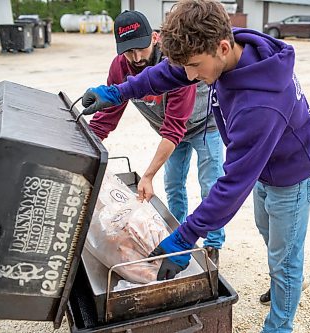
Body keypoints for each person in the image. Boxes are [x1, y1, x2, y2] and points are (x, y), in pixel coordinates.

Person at [81, 1, 310, 332]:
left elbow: (232, 186)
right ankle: (285, 280)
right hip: (265, 165)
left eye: (195, 66)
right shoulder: (221, 47)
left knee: (285, 255)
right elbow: (168, 73)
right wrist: (117, 91)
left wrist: (185, 237)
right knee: (269, 232)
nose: (192, 77)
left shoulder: (259, 107)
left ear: (223, 48)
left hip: (292, 173)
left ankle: (280, 322)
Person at [87, 10, 225, 265]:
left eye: (141, 48)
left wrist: (148, 175)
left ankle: (212, 244)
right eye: (128, 52)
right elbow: (108, 115)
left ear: (154, 37)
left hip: (205, 126)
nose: (136, 58)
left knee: (211, 185)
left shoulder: (177, 63)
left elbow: (174, 128)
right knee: (174, 185)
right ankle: (175, 236)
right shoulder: (120, 67)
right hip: (171, 133)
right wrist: (85, 146)